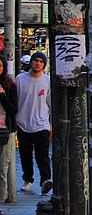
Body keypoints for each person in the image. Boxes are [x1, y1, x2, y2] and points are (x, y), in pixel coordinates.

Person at [15, 51, 52, 195]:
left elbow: (50, 103)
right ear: (31, 62)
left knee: (42, 154)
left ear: (44, 64)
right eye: (36, 60)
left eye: (41, 61)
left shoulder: (47, 80)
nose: (38, 64)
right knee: (25, 154)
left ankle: (45, 180)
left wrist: (51, 124)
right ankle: (28, 179)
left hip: (41, 123)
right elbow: (15, 100)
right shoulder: (20, 79)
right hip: (23, 123)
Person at [0, 55, 19, 208]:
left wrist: (1, 95)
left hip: (5, 131)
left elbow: (13, 110)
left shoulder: (10, 85)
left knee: (2, 168)